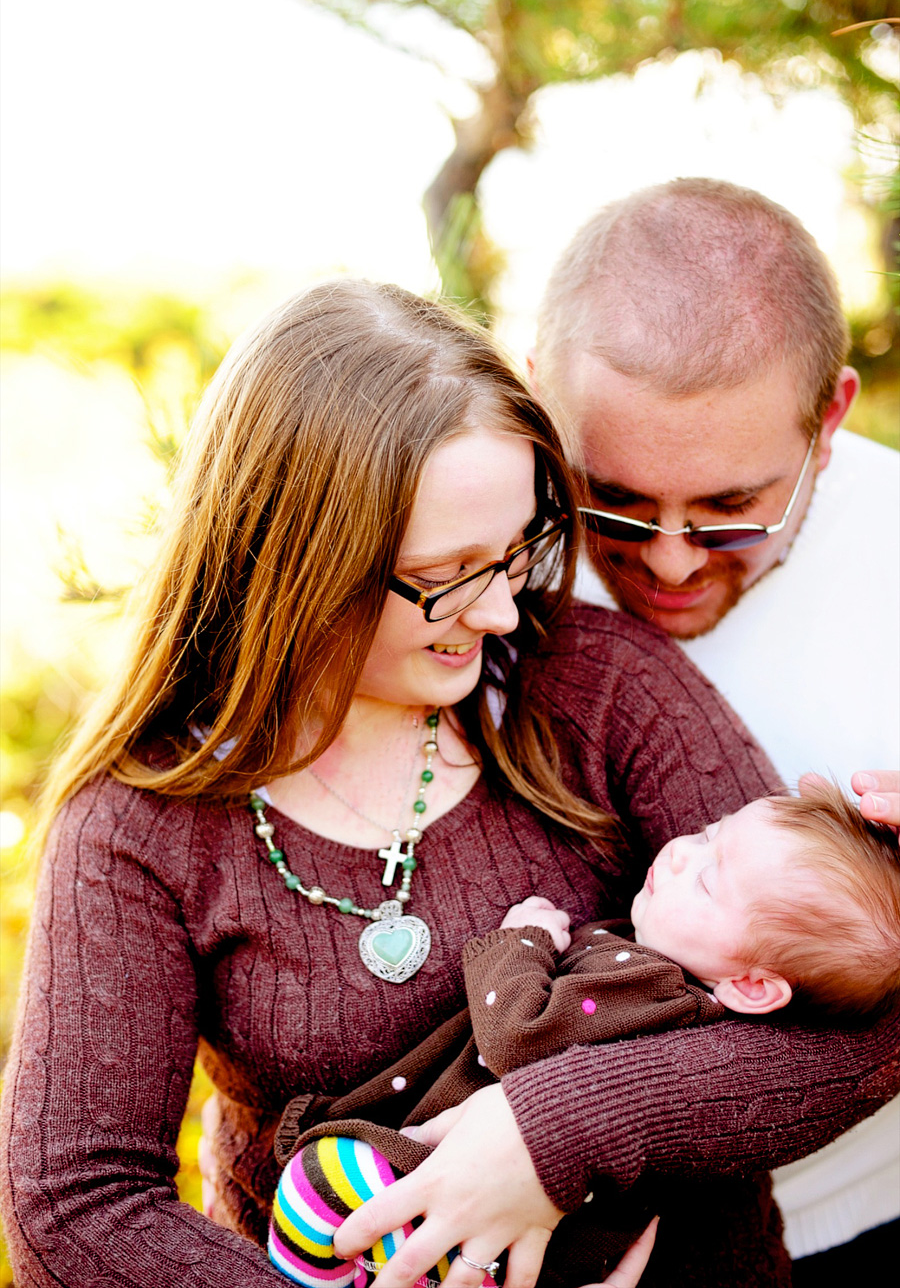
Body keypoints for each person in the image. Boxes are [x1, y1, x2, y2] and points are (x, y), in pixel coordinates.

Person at [0, 281, 895, 1288]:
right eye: (452, 573)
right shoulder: (140, 823)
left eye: (518, 551)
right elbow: (74, 1207)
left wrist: (550, 1135)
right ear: (303, 561)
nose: (506, 612)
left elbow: (864, 1025)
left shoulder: (597, 686)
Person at [528, 176, 900, 1275]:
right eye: (619, 505)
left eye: (735, 510)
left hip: (863, 1222)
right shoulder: (463, 542)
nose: (675, 561)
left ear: (829, 419)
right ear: (544, 391)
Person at [268, 786, 900, 1288]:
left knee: (320, 1180)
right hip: (474, 1209)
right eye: (710, 834)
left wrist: (521, 944)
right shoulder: (662, 976)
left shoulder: (653, 990)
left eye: (709, 880)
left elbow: (516, 1039)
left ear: (753, 986)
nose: (681, 852)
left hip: (467, 1214)